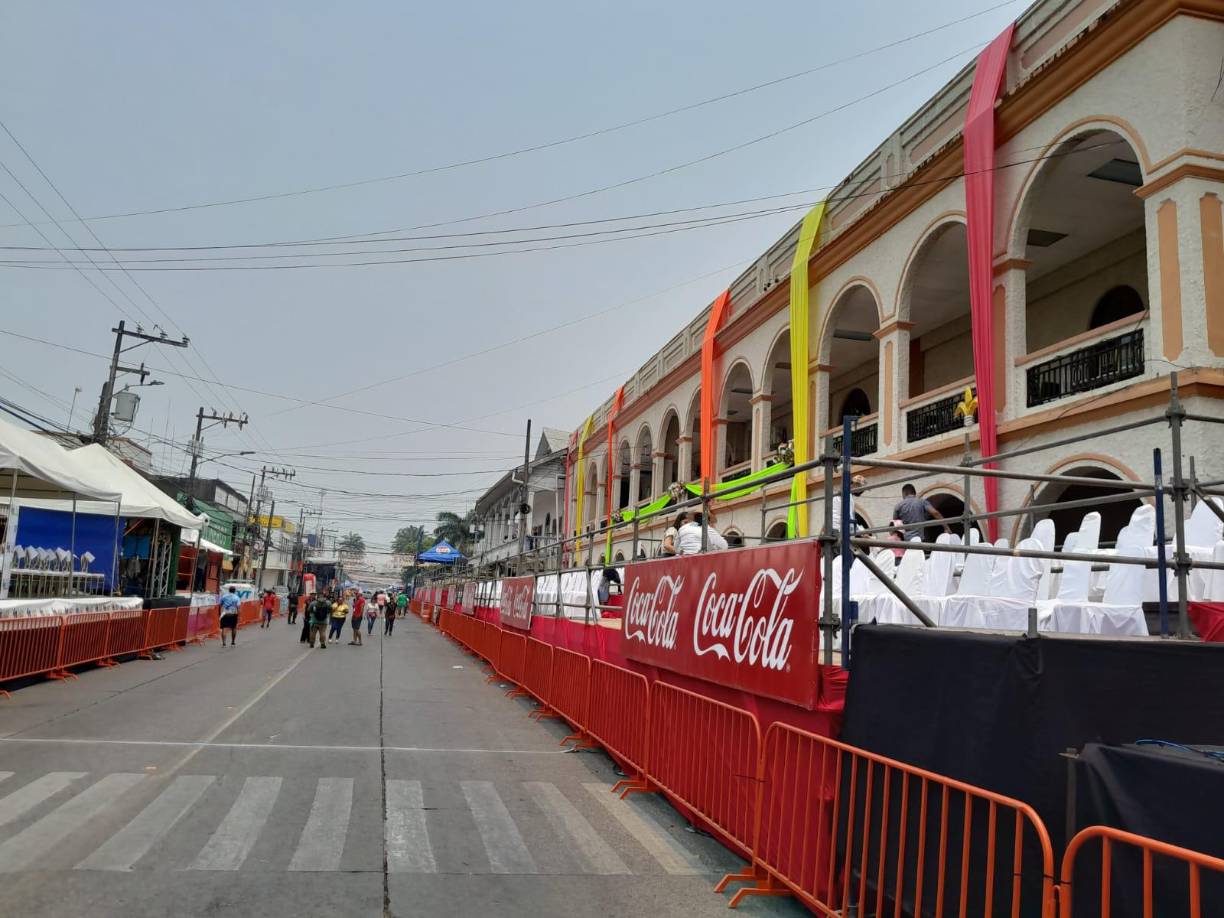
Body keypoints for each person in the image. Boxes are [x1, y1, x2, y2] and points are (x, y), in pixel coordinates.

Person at [830, 474, 867, 557]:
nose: (862, 491)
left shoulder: (847, 495)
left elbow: (850, 519)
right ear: (854, 485)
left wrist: (861, 532)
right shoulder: (844, 496)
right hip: (840, 534)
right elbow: (847, 519)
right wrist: (861, 532)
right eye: (861, 488)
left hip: (841, 533)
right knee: (844, 561)